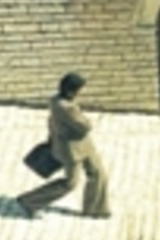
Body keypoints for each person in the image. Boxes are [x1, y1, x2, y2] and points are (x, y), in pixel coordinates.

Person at [18, 72, 111, 220]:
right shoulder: (66, 107)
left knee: (98, 173)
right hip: (71, 150)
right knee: (70, 183)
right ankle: (29, 201)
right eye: (79, 90)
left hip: (84, 144)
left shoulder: (56, 101)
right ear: (71, 91)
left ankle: (95, 209)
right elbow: (85, 126)